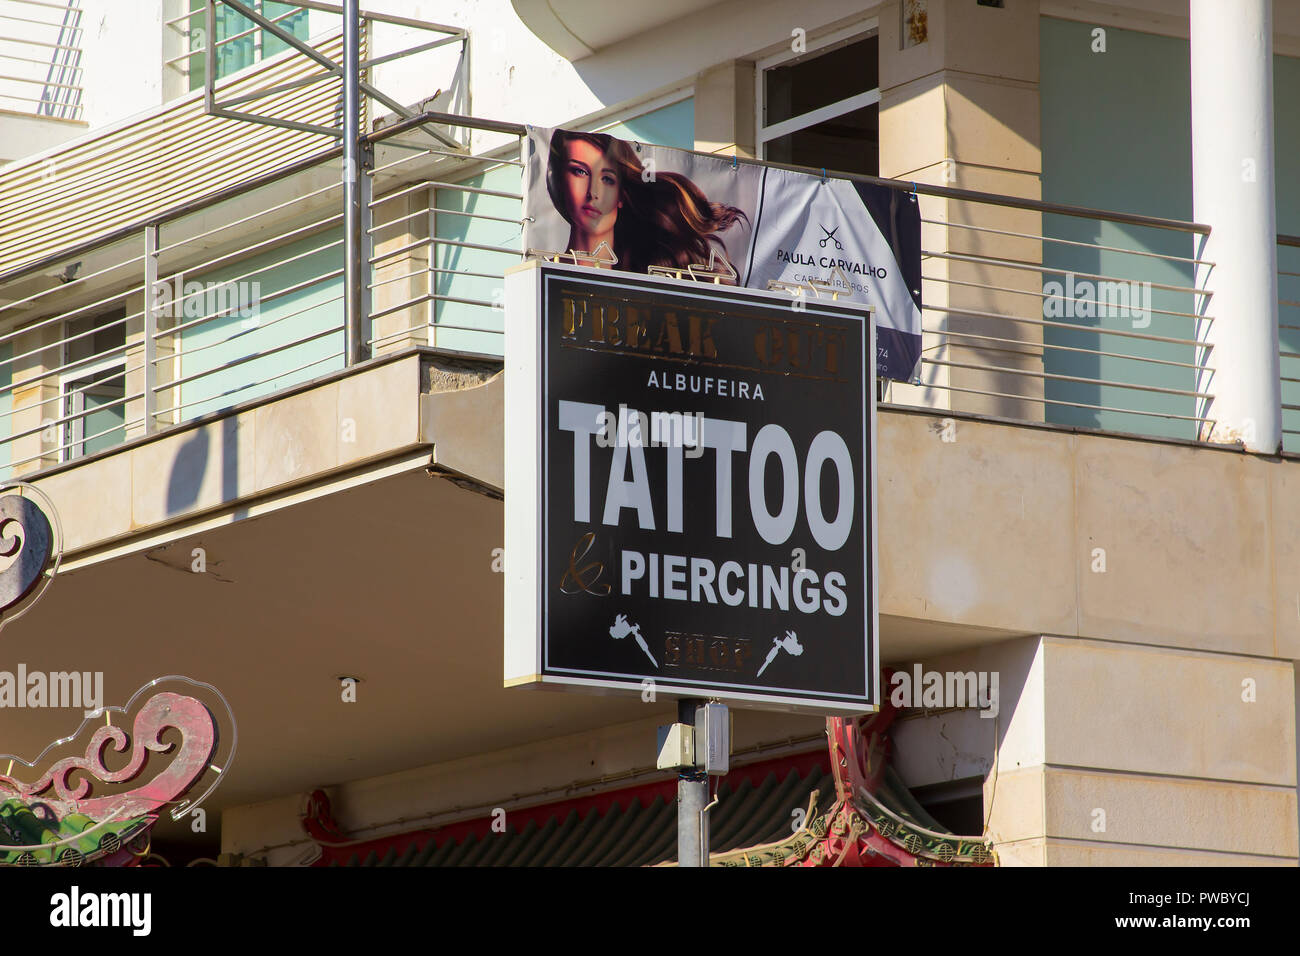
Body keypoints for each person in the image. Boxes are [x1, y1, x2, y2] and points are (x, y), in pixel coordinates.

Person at [545, 129, 747, 280]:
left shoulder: (651, 282)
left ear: (622, 195)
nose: (593, 193)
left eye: (607, 179)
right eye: (580, 172)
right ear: (559, 181)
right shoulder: (543, 281)